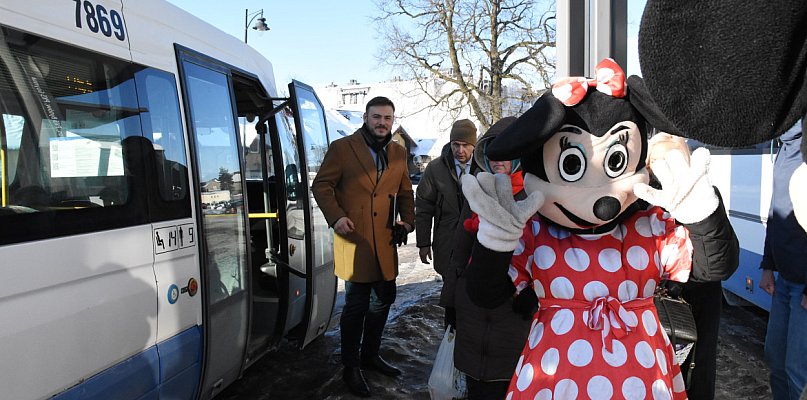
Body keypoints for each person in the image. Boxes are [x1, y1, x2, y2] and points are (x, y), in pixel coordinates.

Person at [311, 96, 415, 398]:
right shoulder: (343, 148)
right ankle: (351, 366)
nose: (382, 123)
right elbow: (322, 185)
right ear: (366, 118)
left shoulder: (398, 152)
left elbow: (405, 192)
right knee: (356, 307)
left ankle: (370, 355)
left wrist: (407, 222)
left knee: (382, 301)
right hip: (354, 238)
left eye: (387, 118)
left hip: (385, 240)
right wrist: (337, 217)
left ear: (393, 120)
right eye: (376, 117)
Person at [449, 117, 538, 400]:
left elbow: (550, 253)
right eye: (493, 151)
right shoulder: (479, 191)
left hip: (515, 310)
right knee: (477, 383)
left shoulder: (537, 195)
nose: (498, 158)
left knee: (509, 383)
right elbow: (460, 250)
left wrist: (536, 293)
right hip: (474, 304)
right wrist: (451, 298)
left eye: (507, 152)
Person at [647, 132, 737, 400]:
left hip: (691, 326)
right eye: (658, 163)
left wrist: (702, 218)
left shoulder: (704, 196)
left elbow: (719, 265)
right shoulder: (637, 200)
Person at [759, 123, 807, 400]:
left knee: (797, 370)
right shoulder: (785, 149)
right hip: (784, 279)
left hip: (803, 284)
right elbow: (775, 212)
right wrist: (768, 266)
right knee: (776, 360)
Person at [415, 118, 477, 328]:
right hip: (447, 242)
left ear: (474, 145)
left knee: (474, 295)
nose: (460, 150)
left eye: (465, 145)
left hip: (477, 242)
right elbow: (424, 207)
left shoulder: (483, 167)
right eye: (455, 145)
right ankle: (451, 337)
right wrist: (423, 243)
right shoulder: (435, 168)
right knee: (451, 294)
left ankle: (469, 336)